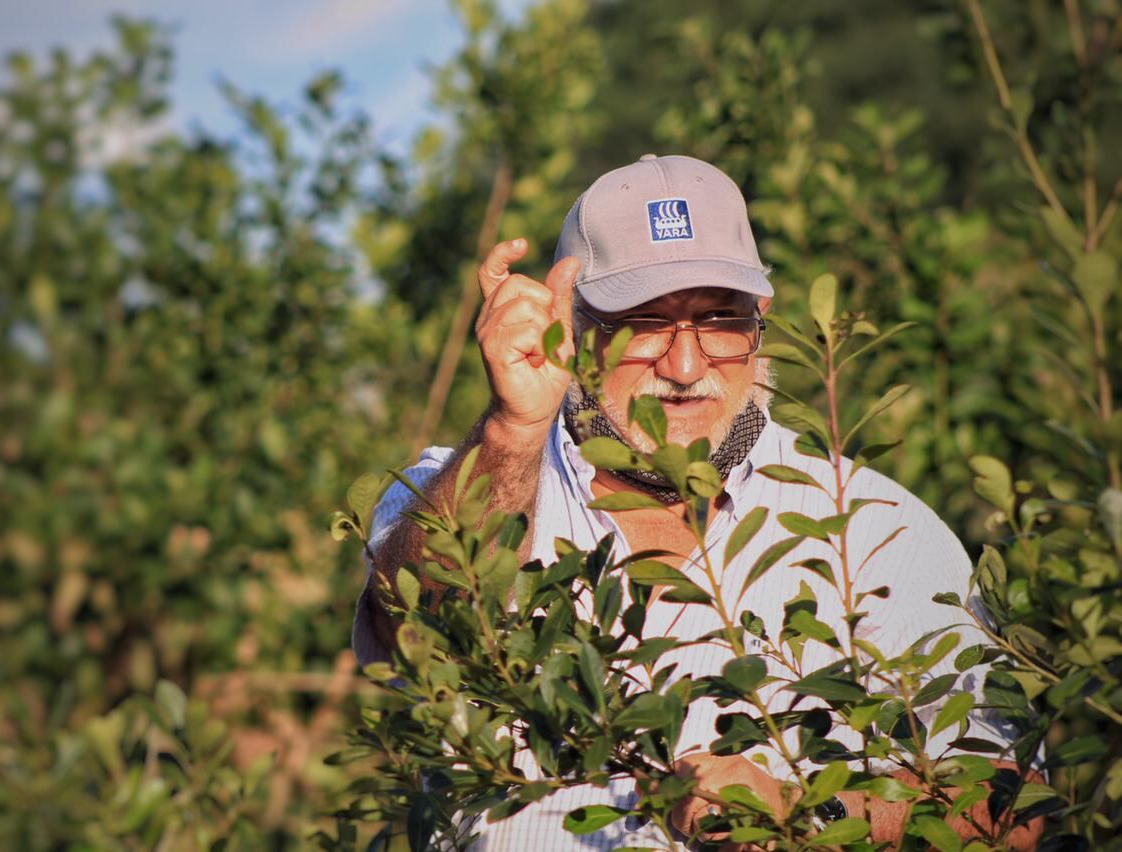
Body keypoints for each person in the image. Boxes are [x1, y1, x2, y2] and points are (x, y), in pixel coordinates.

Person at [352, 155, 1040, 849]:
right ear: (571, 328)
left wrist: (806, 813)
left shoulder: (880, 529)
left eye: (719, 319)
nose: (685, 367)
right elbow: (420, 622)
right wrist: (514, 429)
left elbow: (1016, 811)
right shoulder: (465, 482)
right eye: (644, 324)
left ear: (760, 317)